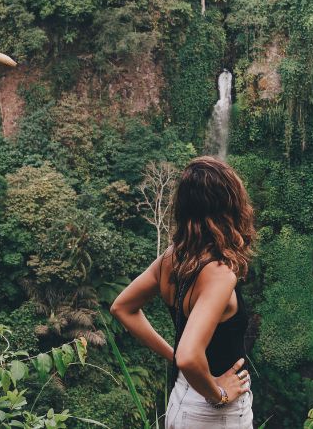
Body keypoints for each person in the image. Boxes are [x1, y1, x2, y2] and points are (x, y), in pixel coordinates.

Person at [110, 156, 257, 428]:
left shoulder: (171, 258)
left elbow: (122, 307)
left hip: (181, 400)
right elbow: (190, 355)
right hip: (214, 415)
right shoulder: (221, 274)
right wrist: (220, 394)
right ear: (230, 206)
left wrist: (173, 356)